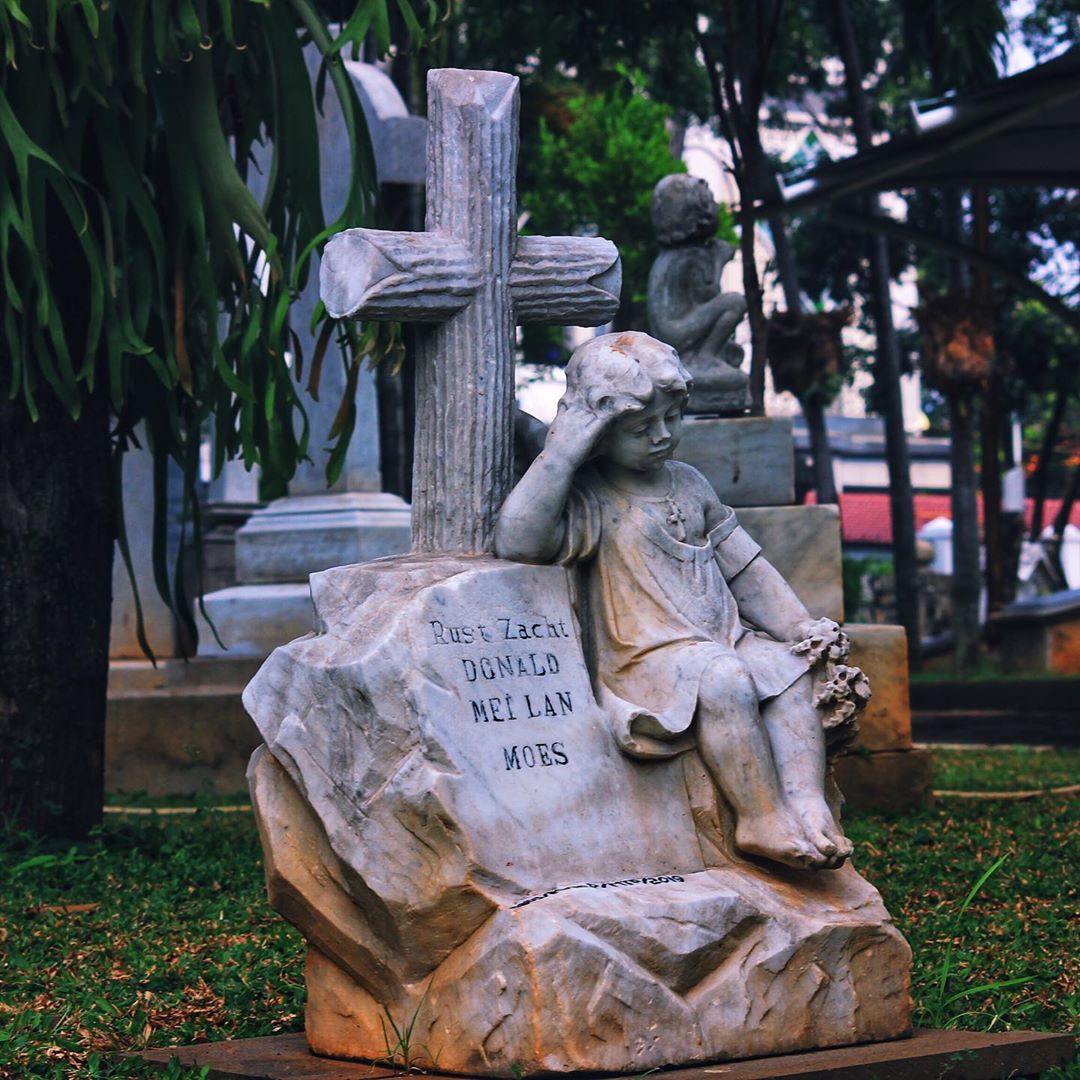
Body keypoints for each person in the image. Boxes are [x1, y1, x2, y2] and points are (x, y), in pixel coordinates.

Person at [495, 332, 854, 871]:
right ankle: (761, 815)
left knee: (788, 672)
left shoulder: (690, 484)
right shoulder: (591, 496)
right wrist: (560, 454)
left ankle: (807, 803)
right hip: (647, 661)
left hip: (722, 639)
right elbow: (519, 541)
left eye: (672, 419)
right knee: (725, 679)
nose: (662, 436)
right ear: (599, 433)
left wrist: (798, 625)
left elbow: (746, 568)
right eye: (641, 428)